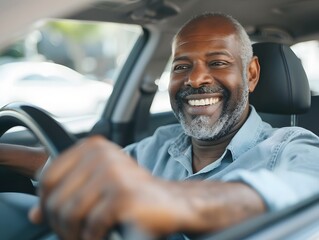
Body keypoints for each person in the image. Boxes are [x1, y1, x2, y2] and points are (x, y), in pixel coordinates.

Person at [1, 12, 319, 240]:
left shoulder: (290, 146)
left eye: (218, 62)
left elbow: (305, 189)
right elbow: (78, 168)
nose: (195, 79)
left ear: (250, 74)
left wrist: (169, 199)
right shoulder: (162, 143)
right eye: (182, 66)